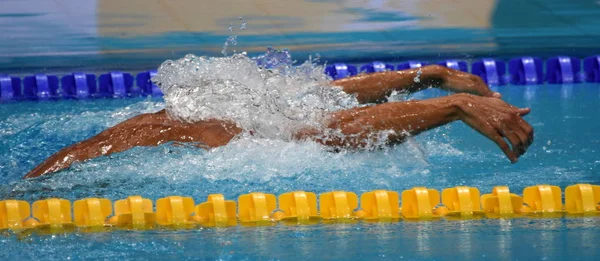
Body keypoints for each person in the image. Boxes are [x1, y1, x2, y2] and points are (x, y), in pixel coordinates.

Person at [24, 65, 533, 179]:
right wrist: (450, 107)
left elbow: (319, 97)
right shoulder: (215, 129)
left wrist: (427, 77)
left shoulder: (233, 107)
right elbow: (332, 134)